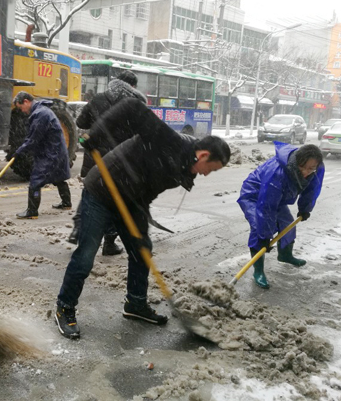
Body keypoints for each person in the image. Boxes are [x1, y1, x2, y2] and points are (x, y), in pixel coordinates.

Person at [54, 98, 231, 339]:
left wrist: (141, 213)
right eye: (212, 168)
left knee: (142, 250)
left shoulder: (185, 168)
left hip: (131, 201)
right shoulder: (170, 141)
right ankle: (65, 307)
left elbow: (150, 184)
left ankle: (135, 304)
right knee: (86, 254)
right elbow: (131, 107)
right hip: (102, 191)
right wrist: (94, 134)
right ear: (203, 155)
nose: (208, 174)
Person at [68, 70, 147, 256]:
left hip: (95, 158)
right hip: (119, 161)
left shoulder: (98, 98)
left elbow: (81, 122)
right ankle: (109, 242)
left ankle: (78, 228)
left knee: (91, 193)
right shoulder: (136, 103)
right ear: (132, 86)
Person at [238, 143, 324, 289]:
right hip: (254, 194)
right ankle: (258, 271)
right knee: (258, 229)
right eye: (302, 167)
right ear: (296, 162)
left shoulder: (317, 168)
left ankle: (285, 255)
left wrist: (305, 208)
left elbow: (312, 188)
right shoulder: (277, 173)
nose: (306, 172)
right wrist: (265, 236)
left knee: (287, 224)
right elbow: (267, 207)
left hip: (277, 196)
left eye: (311, 168)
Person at [12, 91, 71, 219]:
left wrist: (19, 151)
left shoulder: (40, 114)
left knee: (35, 180)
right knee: (58, 177)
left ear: (26, 101)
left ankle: (32, 211)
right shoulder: (43, 111)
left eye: (21, 107)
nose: (22, 111)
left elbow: (33, 138)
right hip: (56, 150)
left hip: (51, 153)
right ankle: (67, 203)